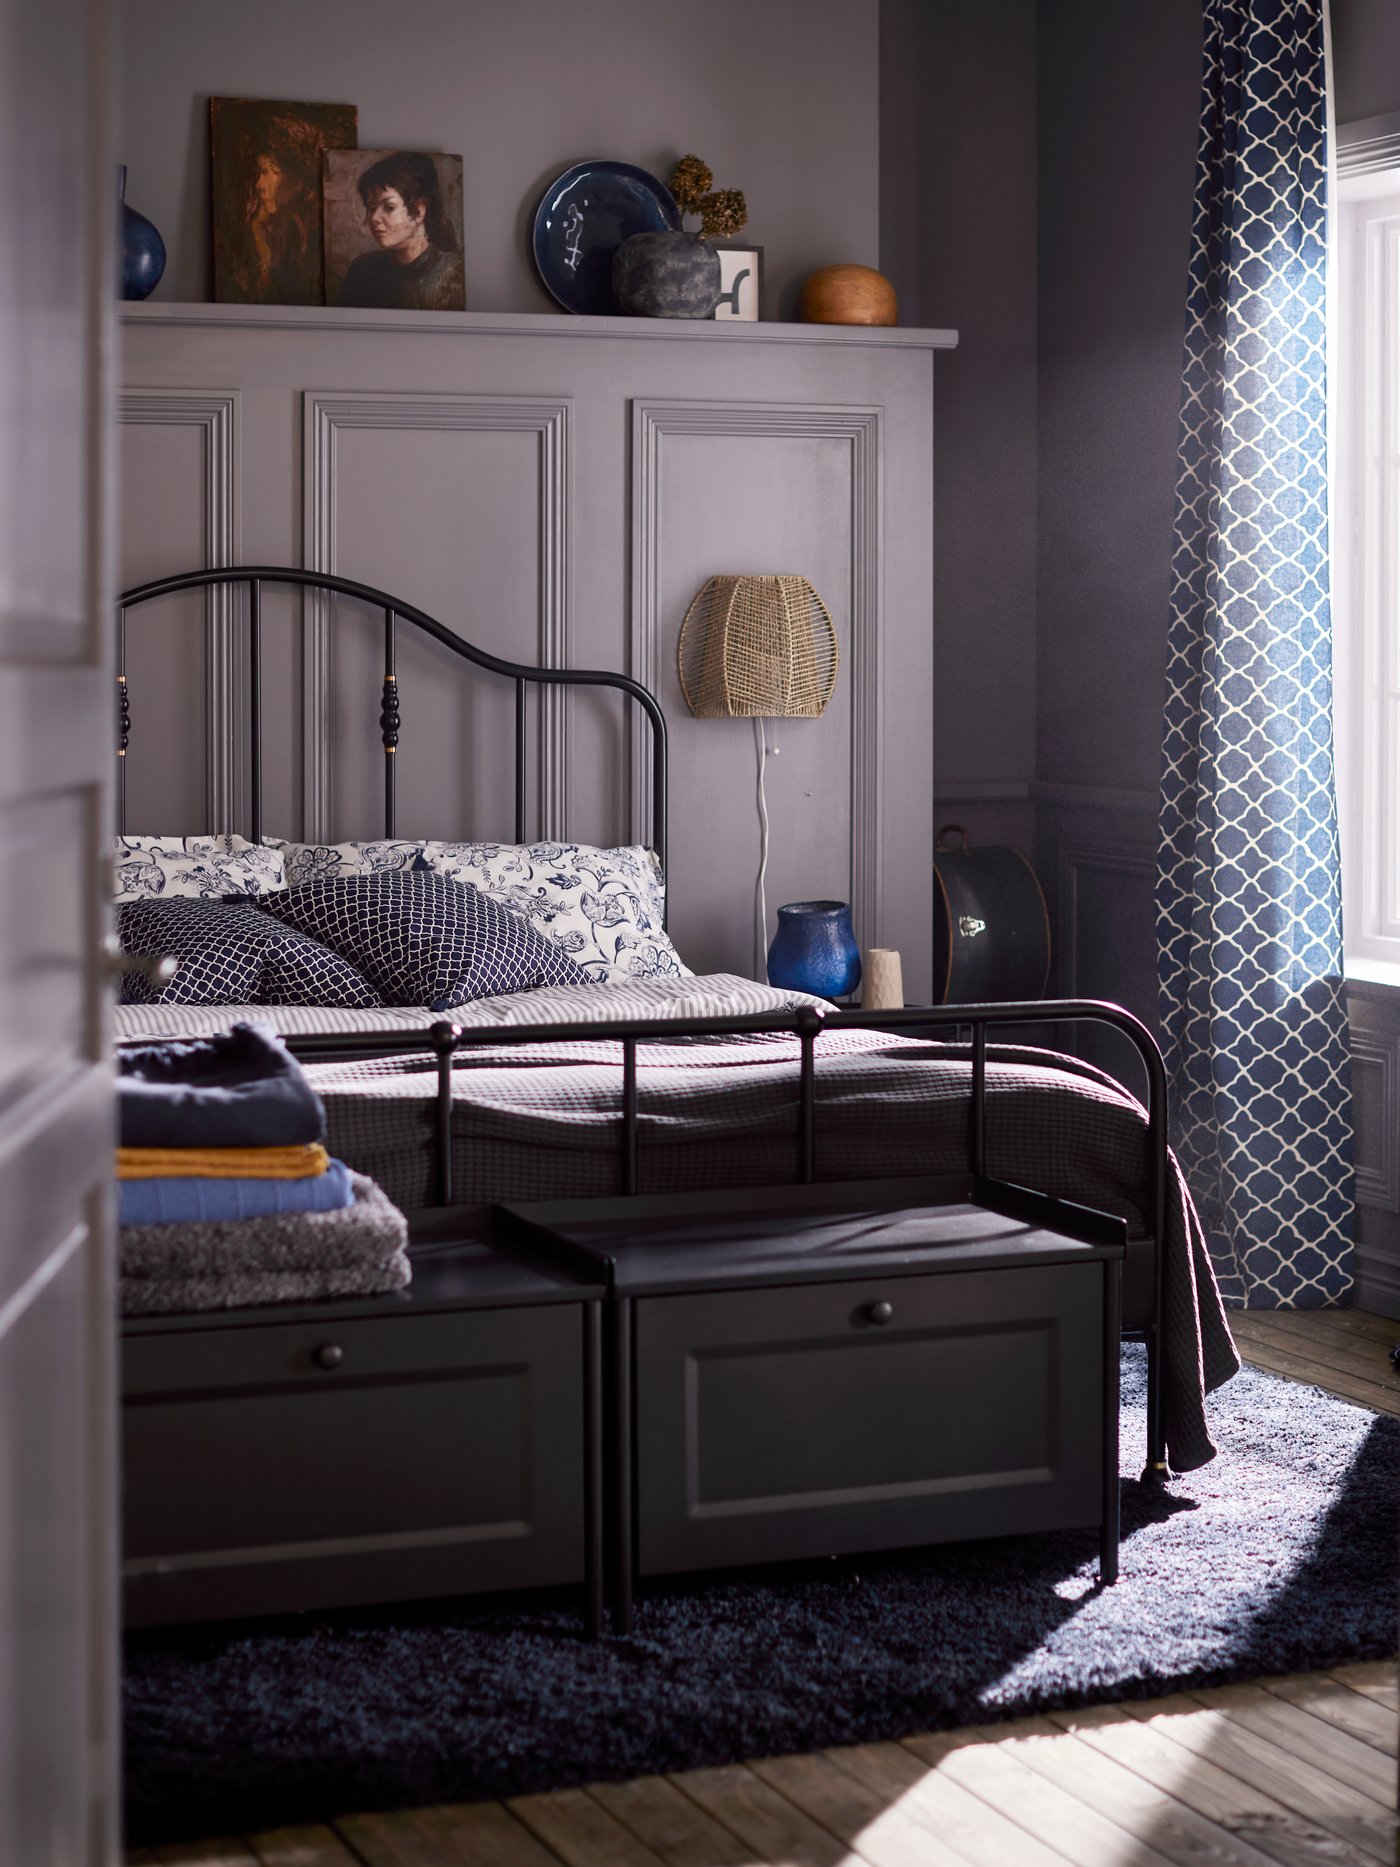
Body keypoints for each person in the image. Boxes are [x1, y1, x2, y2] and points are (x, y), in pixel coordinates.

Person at [338, 152, 465, 310]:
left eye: (389, 207)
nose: (374, 218)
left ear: (418, 212)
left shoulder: (454, 272)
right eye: (371, 207)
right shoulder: (363, 271)